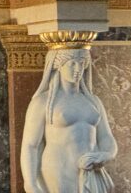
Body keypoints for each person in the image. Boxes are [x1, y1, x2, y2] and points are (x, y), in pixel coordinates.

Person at [21, 46, 118, 193]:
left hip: (91, 171)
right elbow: (30, 145)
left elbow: (106, 136)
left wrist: (106, 155)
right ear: (58, 65)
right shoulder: (43, 102)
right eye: (72, 64)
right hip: (59, 170)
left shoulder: (93, 101)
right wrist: (30, 183)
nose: (78, 69)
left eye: (81, 63)